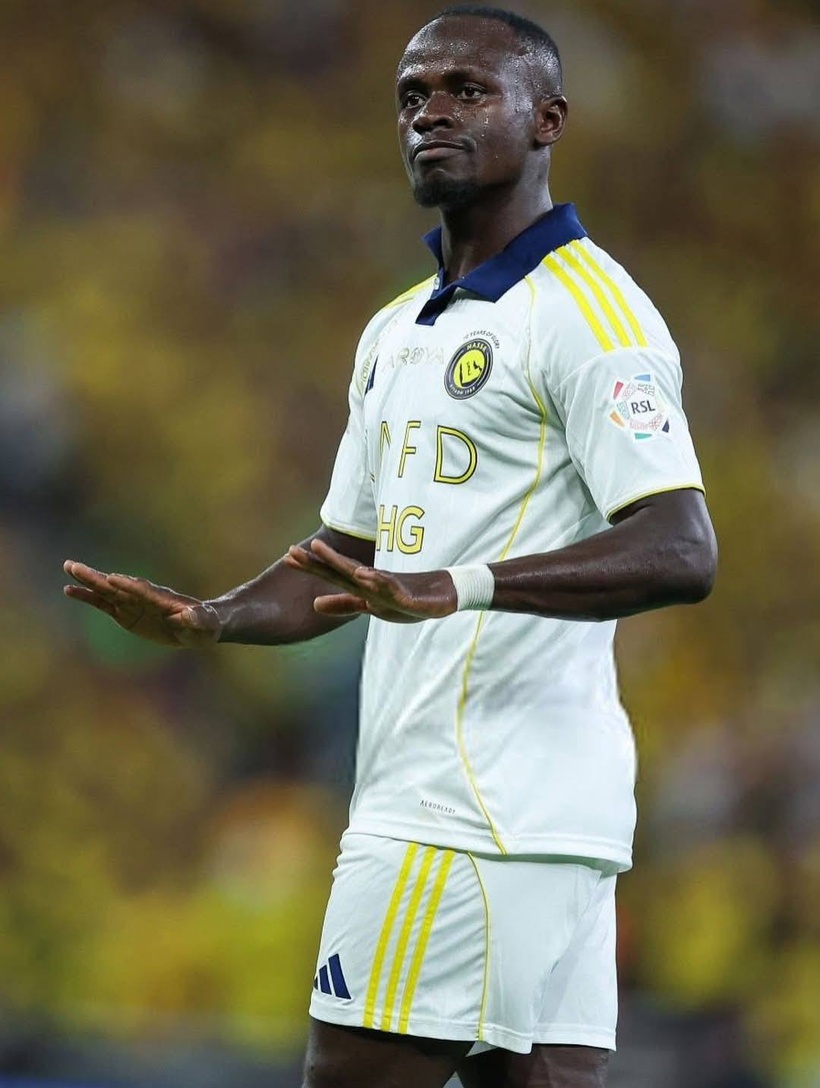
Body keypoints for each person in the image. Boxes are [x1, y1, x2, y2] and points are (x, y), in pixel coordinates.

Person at [63, 5, 717, 1087]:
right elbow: (345, 558)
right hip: (533, 821)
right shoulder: (398, 329)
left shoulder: (591, 315)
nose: (430, 114)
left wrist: (457, 585)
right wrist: (210, 618)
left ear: (548, 119)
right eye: (413, 95)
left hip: (458, 816)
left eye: (467, 90)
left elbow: (681, 547)